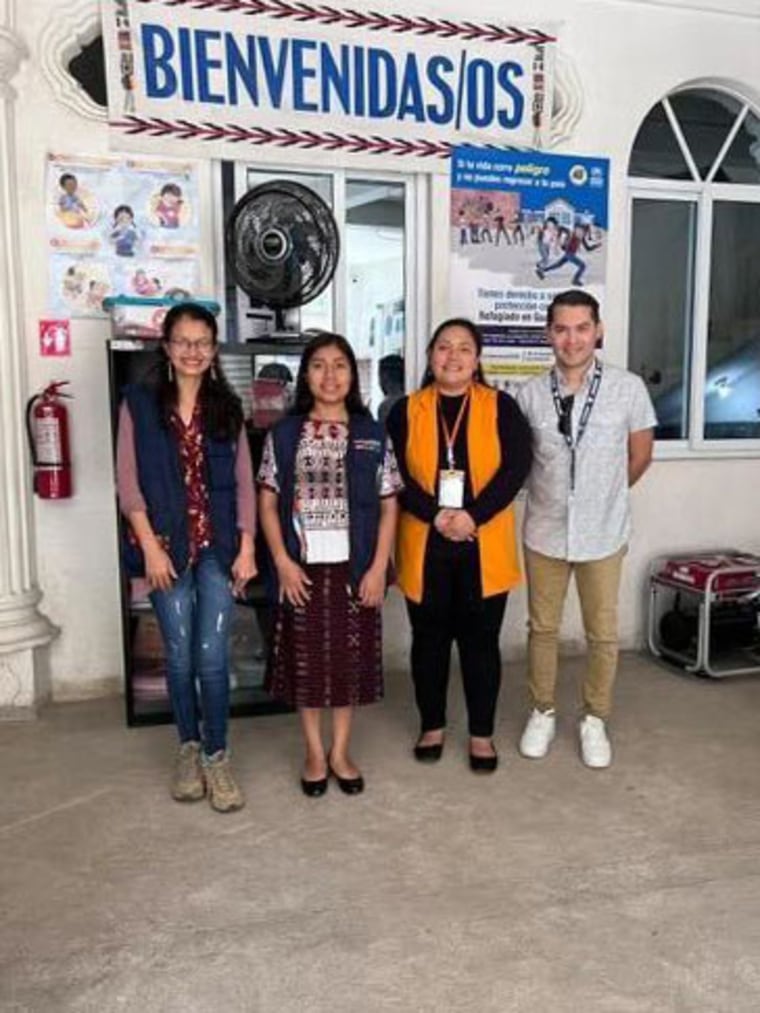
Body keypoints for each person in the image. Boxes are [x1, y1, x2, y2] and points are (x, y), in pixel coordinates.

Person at [116, 302, 257, 812]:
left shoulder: (227, 406)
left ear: (214, 349)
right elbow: (127, 482)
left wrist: (247, 545)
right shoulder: (139, 404)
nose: (194, 351)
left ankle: (217, 756)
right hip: (166, 551)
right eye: (184, 341)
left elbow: (244, 480)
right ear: (168, 347)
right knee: (178, 655)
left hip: (217, 549)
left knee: (212, 656)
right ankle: (188, 749)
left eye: (203, 342)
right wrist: (150, 545)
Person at [516, 289, 656, 769]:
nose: (571, 339)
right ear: (547, 335)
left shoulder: (629, 388)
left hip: (603, 530)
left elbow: (639, 456)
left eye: (581, 328)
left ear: (598, 331)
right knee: (543, 629)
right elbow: (522, 462)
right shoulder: (530, 394)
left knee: (602, 633)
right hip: (545, 530)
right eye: (561, 329)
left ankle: (595, 718)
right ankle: (543, 710)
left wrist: (602, 495)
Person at [257, 333, 401, 797]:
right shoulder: (284, 432)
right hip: (301, 568)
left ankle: (340, 751)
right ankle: (314, 753)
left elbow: (389, 506)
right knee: (307, 664)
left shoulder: (372, 434)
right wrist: (281, 561)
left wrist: (380, 567)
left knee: (346, 664)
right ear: (306, 375)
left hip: (354, 568)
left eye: (340, 365)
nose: (330, 375)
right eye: (319, 365)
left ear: (353, 375)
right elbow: (267, 501)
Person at [386, 319, 532, 772]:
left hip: (482, 541)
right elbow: (395, 476)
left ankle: (482, 734)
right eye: (444, 348)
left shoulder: (500, 407)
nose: (453, 356)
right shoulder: (404, 410)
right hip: (425, 541)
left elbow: (516, 468)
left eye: (464, 348)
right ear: (431, 356)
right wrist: (437, 515)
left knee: (480, 642)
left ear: (477, 359)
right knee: (428, 641)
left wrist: (472, 515)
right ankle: (432, 725)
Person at [376, 353, 404, 427]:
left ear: (384, 376)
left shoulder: (385, 407)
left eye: (379, 376)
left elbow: (384, 436)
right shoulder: (413, 400)